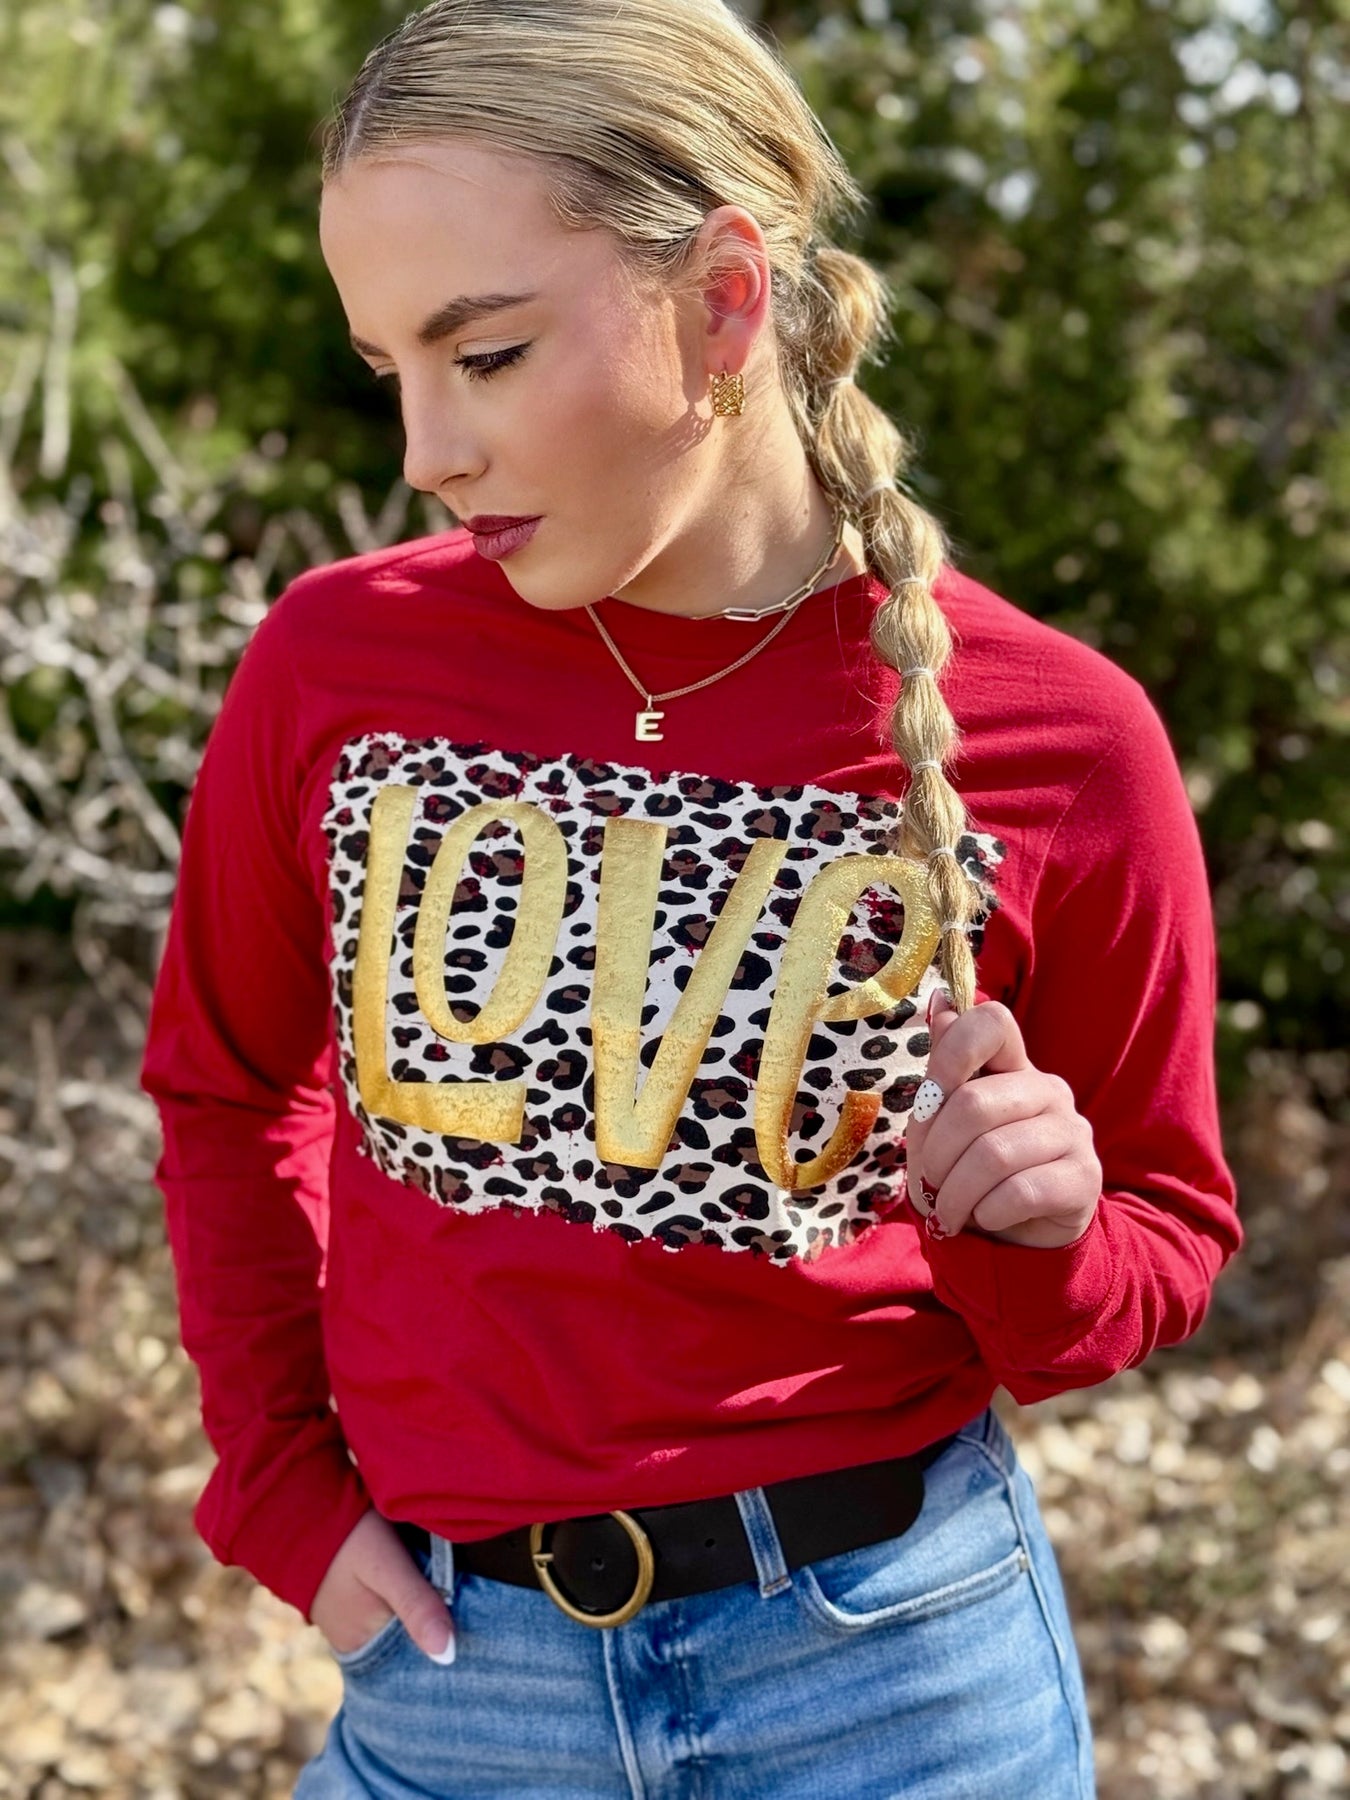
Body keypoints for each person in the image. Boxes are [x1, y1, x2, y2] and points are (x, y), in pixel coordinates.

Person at [140, 3, 1242, 1795]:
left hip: (892, 1691)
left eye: (484, 354)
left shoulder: (1058, 737)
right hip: (457, 1681)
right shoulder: (336, 664)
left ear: (725, 301)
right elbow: (226, 1085)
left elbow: (1162, 1244)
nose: (426, 448)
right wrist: (278, 1488)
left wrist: (1035, 1235)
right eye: (387, 367)